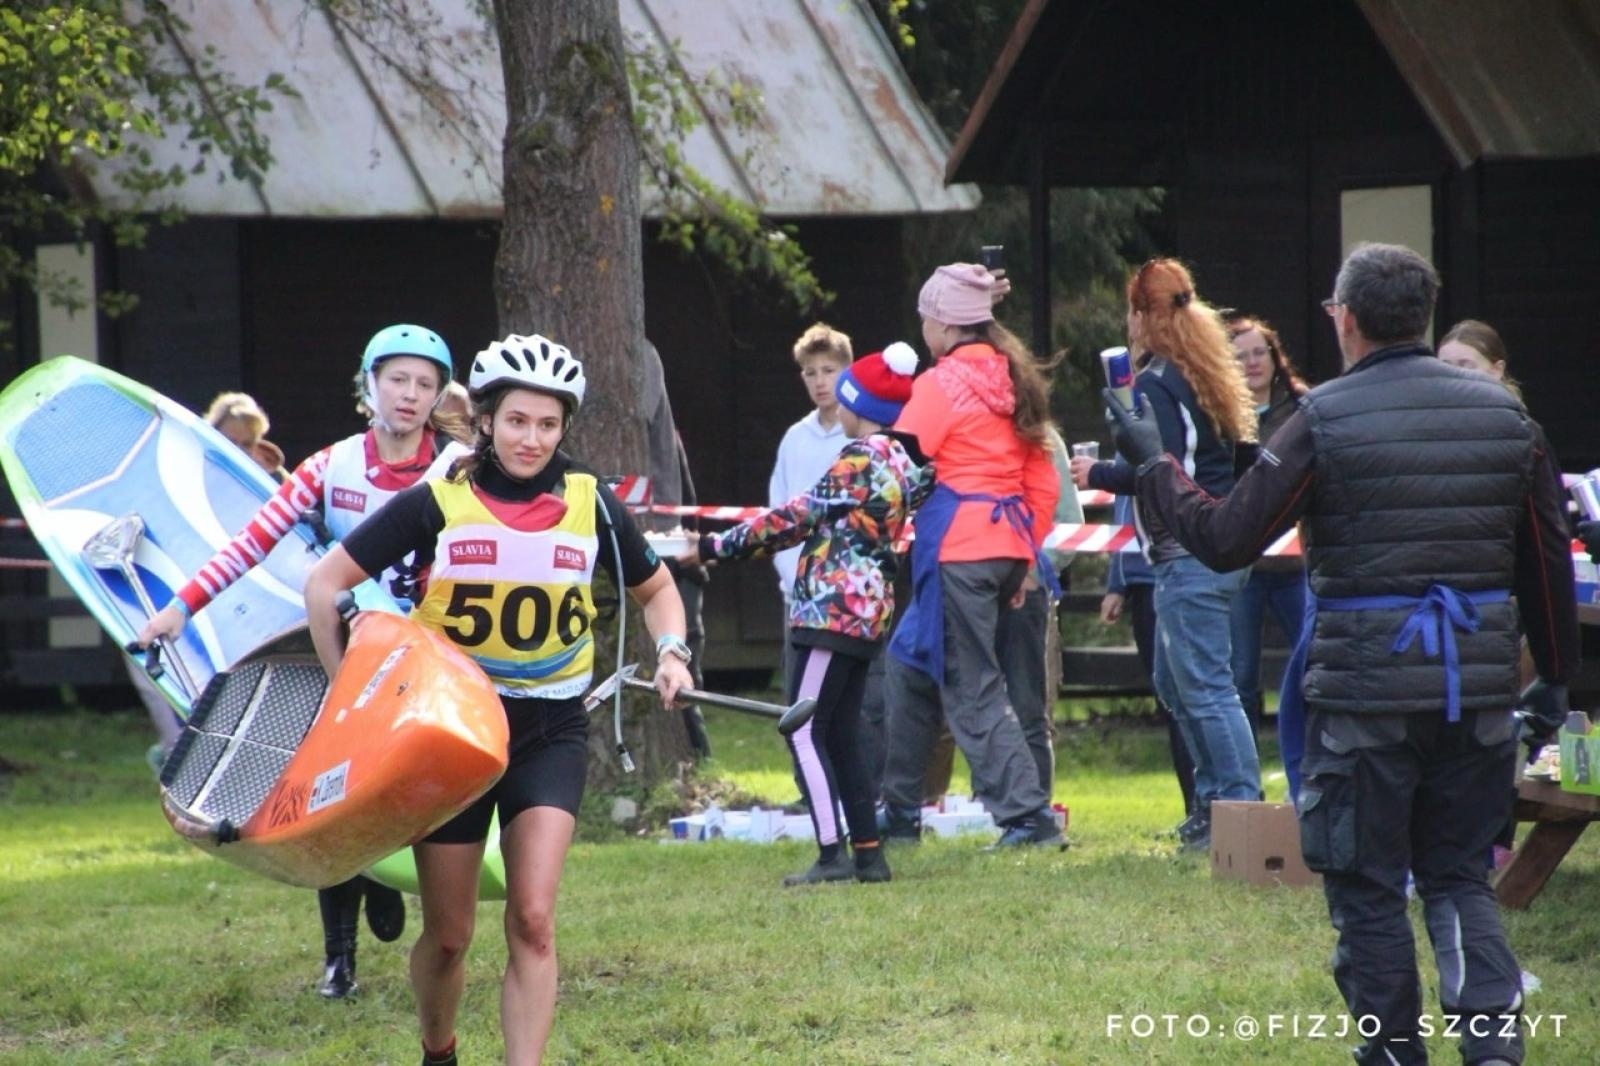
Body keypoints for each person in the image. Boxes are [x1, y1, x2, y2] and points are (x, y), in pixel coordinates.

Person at [1108, 242, 1579, 1066]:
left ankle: (1392, 1053)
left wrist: (1153, 466)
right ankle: (1493, 1053)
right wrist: (1554, 679)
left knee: (1366, 893)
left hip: (1364, 699)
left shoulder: (1322, 418)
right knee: (1461, 880)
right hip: (1474, 695)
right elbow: (1546, 569)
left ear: (1347, 320)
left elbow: (1225, 539)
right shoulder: (1511, 421)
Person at [302, 332, 692, 1066]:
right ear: (485, 420)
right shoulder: (439, 499)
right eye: (517, 421)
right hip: (450, 740)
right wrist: (346, 700)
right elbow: (326, 585)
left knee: (534, 919)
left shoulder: (590, 501)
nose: (532, 439)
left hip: (550, 731)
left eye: (548, 425)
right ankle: (438, 1050)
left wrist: (672, 652)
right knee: (450, 936)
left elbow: (659, 590)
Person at [137, 323, 471, 1000]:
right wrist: (181, 606)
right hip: (339, 651)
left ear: (439, 397)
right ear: (369, 386)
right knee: (330, 792)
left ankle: (383, 871)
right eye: (397, 379)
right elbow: (252, 542)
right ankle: (337, 959)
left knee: (403, 792)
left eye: (425, 384)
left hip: (426, 658)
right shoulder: (331, 465)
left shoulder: (457, 465)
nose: (409, 395)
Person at [682, 343, 931, 884]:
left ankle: (830, 854)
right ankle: (868, 853)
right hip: (869, 612)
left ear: (861, 409)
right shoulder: (903, 463)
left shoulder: (861, 459)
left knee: (800, 727)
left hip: (832, 609)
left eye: (844, 399)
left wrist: (712, 547)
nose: (834, 409)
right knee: (840, 730)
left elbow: (795, 517)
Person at [1072, 258, 1261, 851]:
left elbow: (1160, 468)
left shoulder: (1157, 382)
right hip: (1219, 545)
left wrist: (1096, 471)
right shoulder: (1202, 371)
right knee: (1175, 682)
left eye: (1132, 312)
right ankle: (1211, 805)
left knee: (1204, 687)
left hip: (1189, 553)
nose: (1128, 323)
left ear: (1145, 315)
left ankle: (1239, 811)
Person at [878, 262, 1063, 849]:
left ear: (941, 324)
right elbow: (1043, 478)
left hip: (961, 548)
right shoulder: (1014, 379)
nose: (922, 329)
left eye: (925, 318)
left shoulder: (940, 385)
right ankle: (901, 809)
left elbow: (898, 459)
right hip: (1005, 542)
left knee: (971, 683)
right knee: (908, 665)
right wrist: (1027, 553)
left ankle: (1026, 816)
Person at [1223, 314, 1311, 798]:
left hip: (1297, 567)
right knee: (1240, 677)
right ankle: (1245, 788)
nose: (1252, 363)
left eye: (1260, 352)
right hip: (1243, 568)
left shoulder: (1302, 407)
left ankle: (1313, 775)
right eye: (1241, 356)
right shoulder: (1219, 410)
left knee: (1312, 666)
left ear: (1275, 358)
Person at [1101, 487, 1195, 817]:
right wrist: (1117, 584)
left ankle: (1205, 807)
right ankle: (1194, 809)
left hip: (1168, 574)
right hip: (1140, 581)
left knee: (1186, 698)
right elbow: (1125, 521)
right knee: (1169, 698)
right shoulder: (1126, 446)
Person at [768, 324, 854, 684]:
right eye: (810, 372)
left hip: (849, 592)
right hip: (799, 593)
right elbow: (778, 515)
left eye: (829, 371)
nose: (819, 381)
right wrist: (794, 576)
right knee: (800, 697)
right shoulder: (795, 438)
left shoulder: (859, 434)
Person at [642, 339, 711, 759]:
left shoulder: (641, 355)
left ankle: (695, 755)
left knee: (683, 668)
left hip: (670, 551)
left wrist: (693, 536)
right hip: (654, 548)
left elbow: (681, 479)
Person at [1438, 319, 1523, 400]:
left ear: (1496, 370)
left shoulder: (1507, 413)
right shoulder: (1428, 408)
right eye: (1445, 367)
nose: (1453, 375)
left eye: (1466, 366)